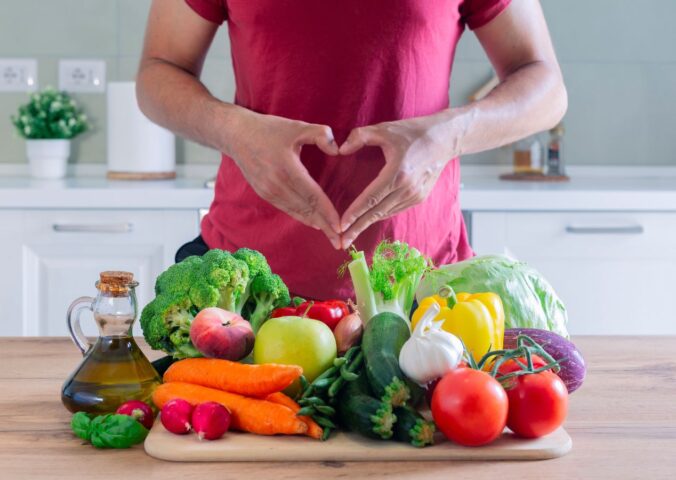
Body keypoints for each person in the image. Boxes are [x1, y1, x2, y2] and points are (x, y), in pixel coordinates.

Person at [137, 0, 567, 300]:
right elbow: (158, 73)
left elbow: (545, 84)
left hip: (420, 289)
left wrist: (446, 135)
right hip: (242, 284)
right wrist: (235, 130)